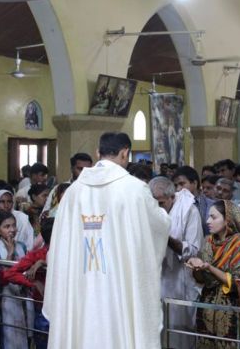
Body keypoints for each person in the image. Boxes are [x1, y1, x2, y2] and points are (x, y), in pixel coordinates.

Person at [43, 132, 172, 349]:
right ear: (125, 154)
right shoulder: (134, 190)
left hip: (80, 285)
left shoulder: (73, 193)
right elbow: (159, 226)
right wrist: (165, 216)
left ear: (97, 153)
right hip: (119, 286)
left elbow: (59, 246)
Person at [186, 200, 240, 349]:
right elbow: (202, 280)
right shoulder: (208, 241)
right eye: (208, 217)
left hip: (231, 311)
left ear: (227, 219)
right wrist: (196, 268)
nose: (208, 221)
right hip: (207, 309)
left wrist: (209, 268)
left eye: (213, 217)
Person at [149, 176, 203, 349]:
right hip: (155, 280)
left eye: (161, 203)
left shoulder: (189, 211)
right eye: (154, 203)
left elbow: (194, 249)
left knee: (179, 336)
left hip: (181, 281)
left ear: (172, 197)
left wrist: (166, 237)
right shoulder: (148, 211)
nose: (157, 208)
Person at [2, 217, 55, 349]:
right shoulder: (37, 255)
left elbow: (9, 273)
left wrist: (42, 263)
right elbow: (7, 274)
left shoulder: (39, 256)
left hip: (54, 310)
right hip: (46, 311)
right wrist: (34, 283)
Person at [0, 212, 28, 349]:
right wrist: (10, 253)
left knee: (23, 331)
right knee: (8, 334)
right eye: (6, 226)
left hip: (21, 295)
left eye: (13, 225)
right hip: (5, 298)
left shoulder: (22, 246)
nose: (12, 229)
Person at [173, 165, 214, 236]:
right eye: (176, 185)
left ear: (195, 183)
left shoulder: (212, 205)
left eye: (182, 184)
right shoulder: (173, 205)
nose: (178, 189)